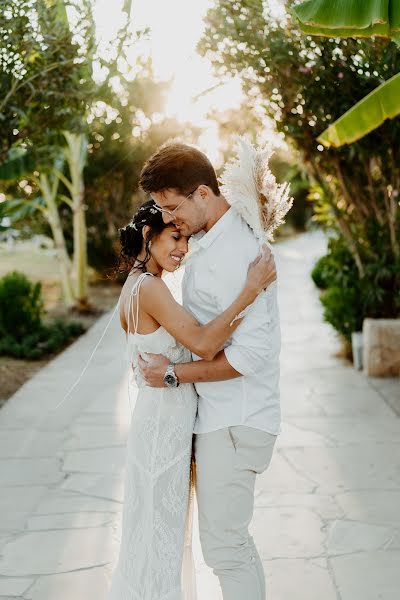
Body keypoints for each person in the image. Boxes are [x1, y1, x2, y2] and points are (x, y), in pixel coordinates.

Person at [108, 198, 277, 600]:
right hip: (163, 427)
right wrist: (249, 291)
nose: (183, 248)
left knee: (163, 538)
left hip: (167, 421)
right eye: (174, 237)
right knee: (160, 540)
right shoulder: (148, 288)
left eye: (185, 237)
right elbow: (202, 343)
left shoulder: (144, 284)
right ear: (148, 236)